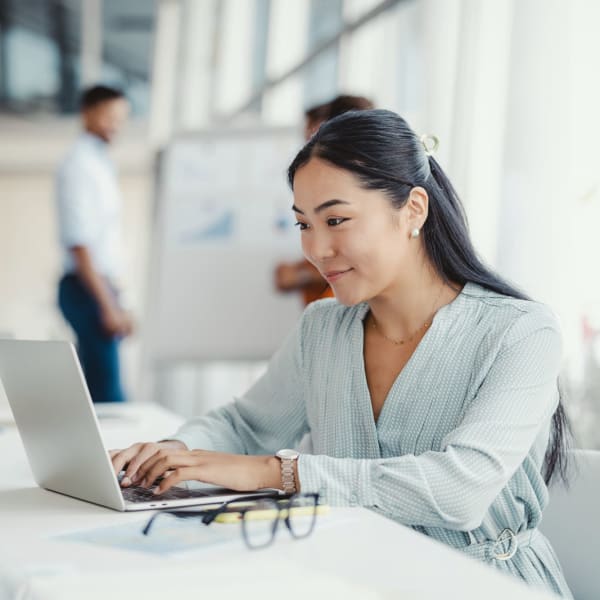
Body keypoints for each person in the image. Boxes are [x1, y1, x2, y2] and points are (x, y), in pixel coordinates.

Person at [111, 110, 572, 598]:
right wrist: (176, 452)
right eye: (303, 225)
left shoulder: (520, 332)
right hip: (355, 578)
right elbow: (246, 426)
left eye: (336, 220)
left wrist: (279, 472)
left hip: (480, 586)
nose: (317, 249)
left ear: (413, 209)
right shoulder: (323, 327)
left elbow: (460, 490)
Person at [56, 85, 133, 403]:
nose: (115, 124)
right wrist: (108, 305)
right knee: (108, 397)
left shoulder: (99, 162)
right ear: (87, 113)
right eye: (109, 116)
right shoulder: (79, 165)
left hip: (100, 288)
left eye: (121, 118)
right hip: (87, 288)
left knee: (101, 392)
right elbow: (81, 244)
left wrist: (119, 300)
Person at [275, 94, 374, 306]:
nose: (308, 153)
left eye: (312, 139)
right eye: (303, 224)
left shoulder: (367, 190)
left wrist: (301, 276)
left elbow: (367, 258)